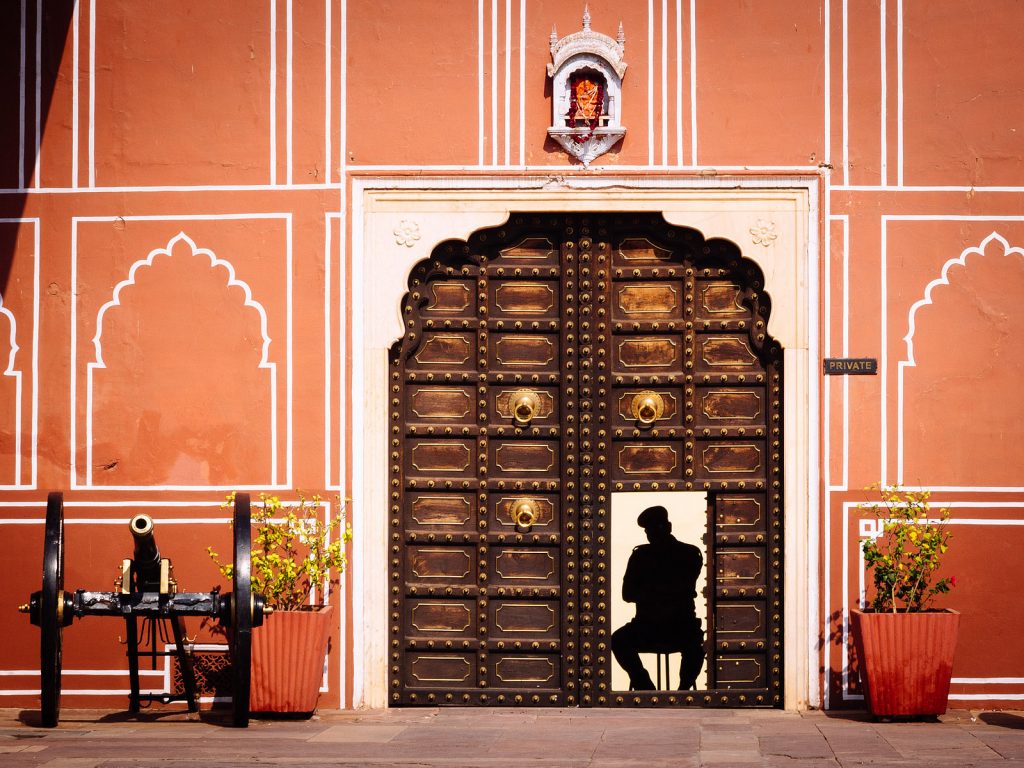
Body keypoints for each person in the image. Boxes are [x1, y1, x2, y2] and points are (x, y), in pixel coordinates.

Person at [611, 504, 705, 691]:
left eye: (656, 529)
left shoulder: (688, 554)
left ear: (668, 527)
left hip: (675, 626)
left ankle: (682, 690)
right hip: (651, 626)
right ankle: (645, 685)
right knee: (618, 640)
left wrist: (649, 591)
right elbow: (626, 594)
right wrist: (664, 590)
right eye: (649, 531)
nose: (652, 534)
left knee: (696, 645)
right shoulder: (642, 556)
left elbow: (683, 587)